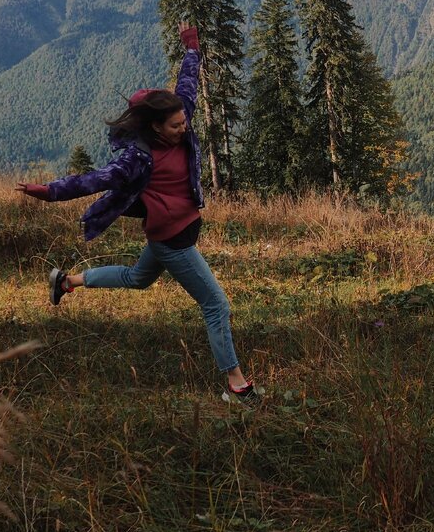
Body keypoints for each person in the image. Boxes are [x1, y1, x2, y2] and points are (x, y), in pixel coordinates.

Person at [17, 23, 259, 406]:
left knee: (137, 278)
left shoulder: (180, 117)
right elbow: (93, 180)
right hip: (172, 240)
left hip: (175, 232)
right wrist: (48, 192)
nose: (185, 128)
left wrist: (191, 47)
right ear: (155, 127)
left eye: (184, 122)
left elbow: (187, 84)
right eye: (176, 126)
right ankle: (236, 384)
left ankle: (66, 282)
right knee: (216, 305)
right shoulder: (137, 157)